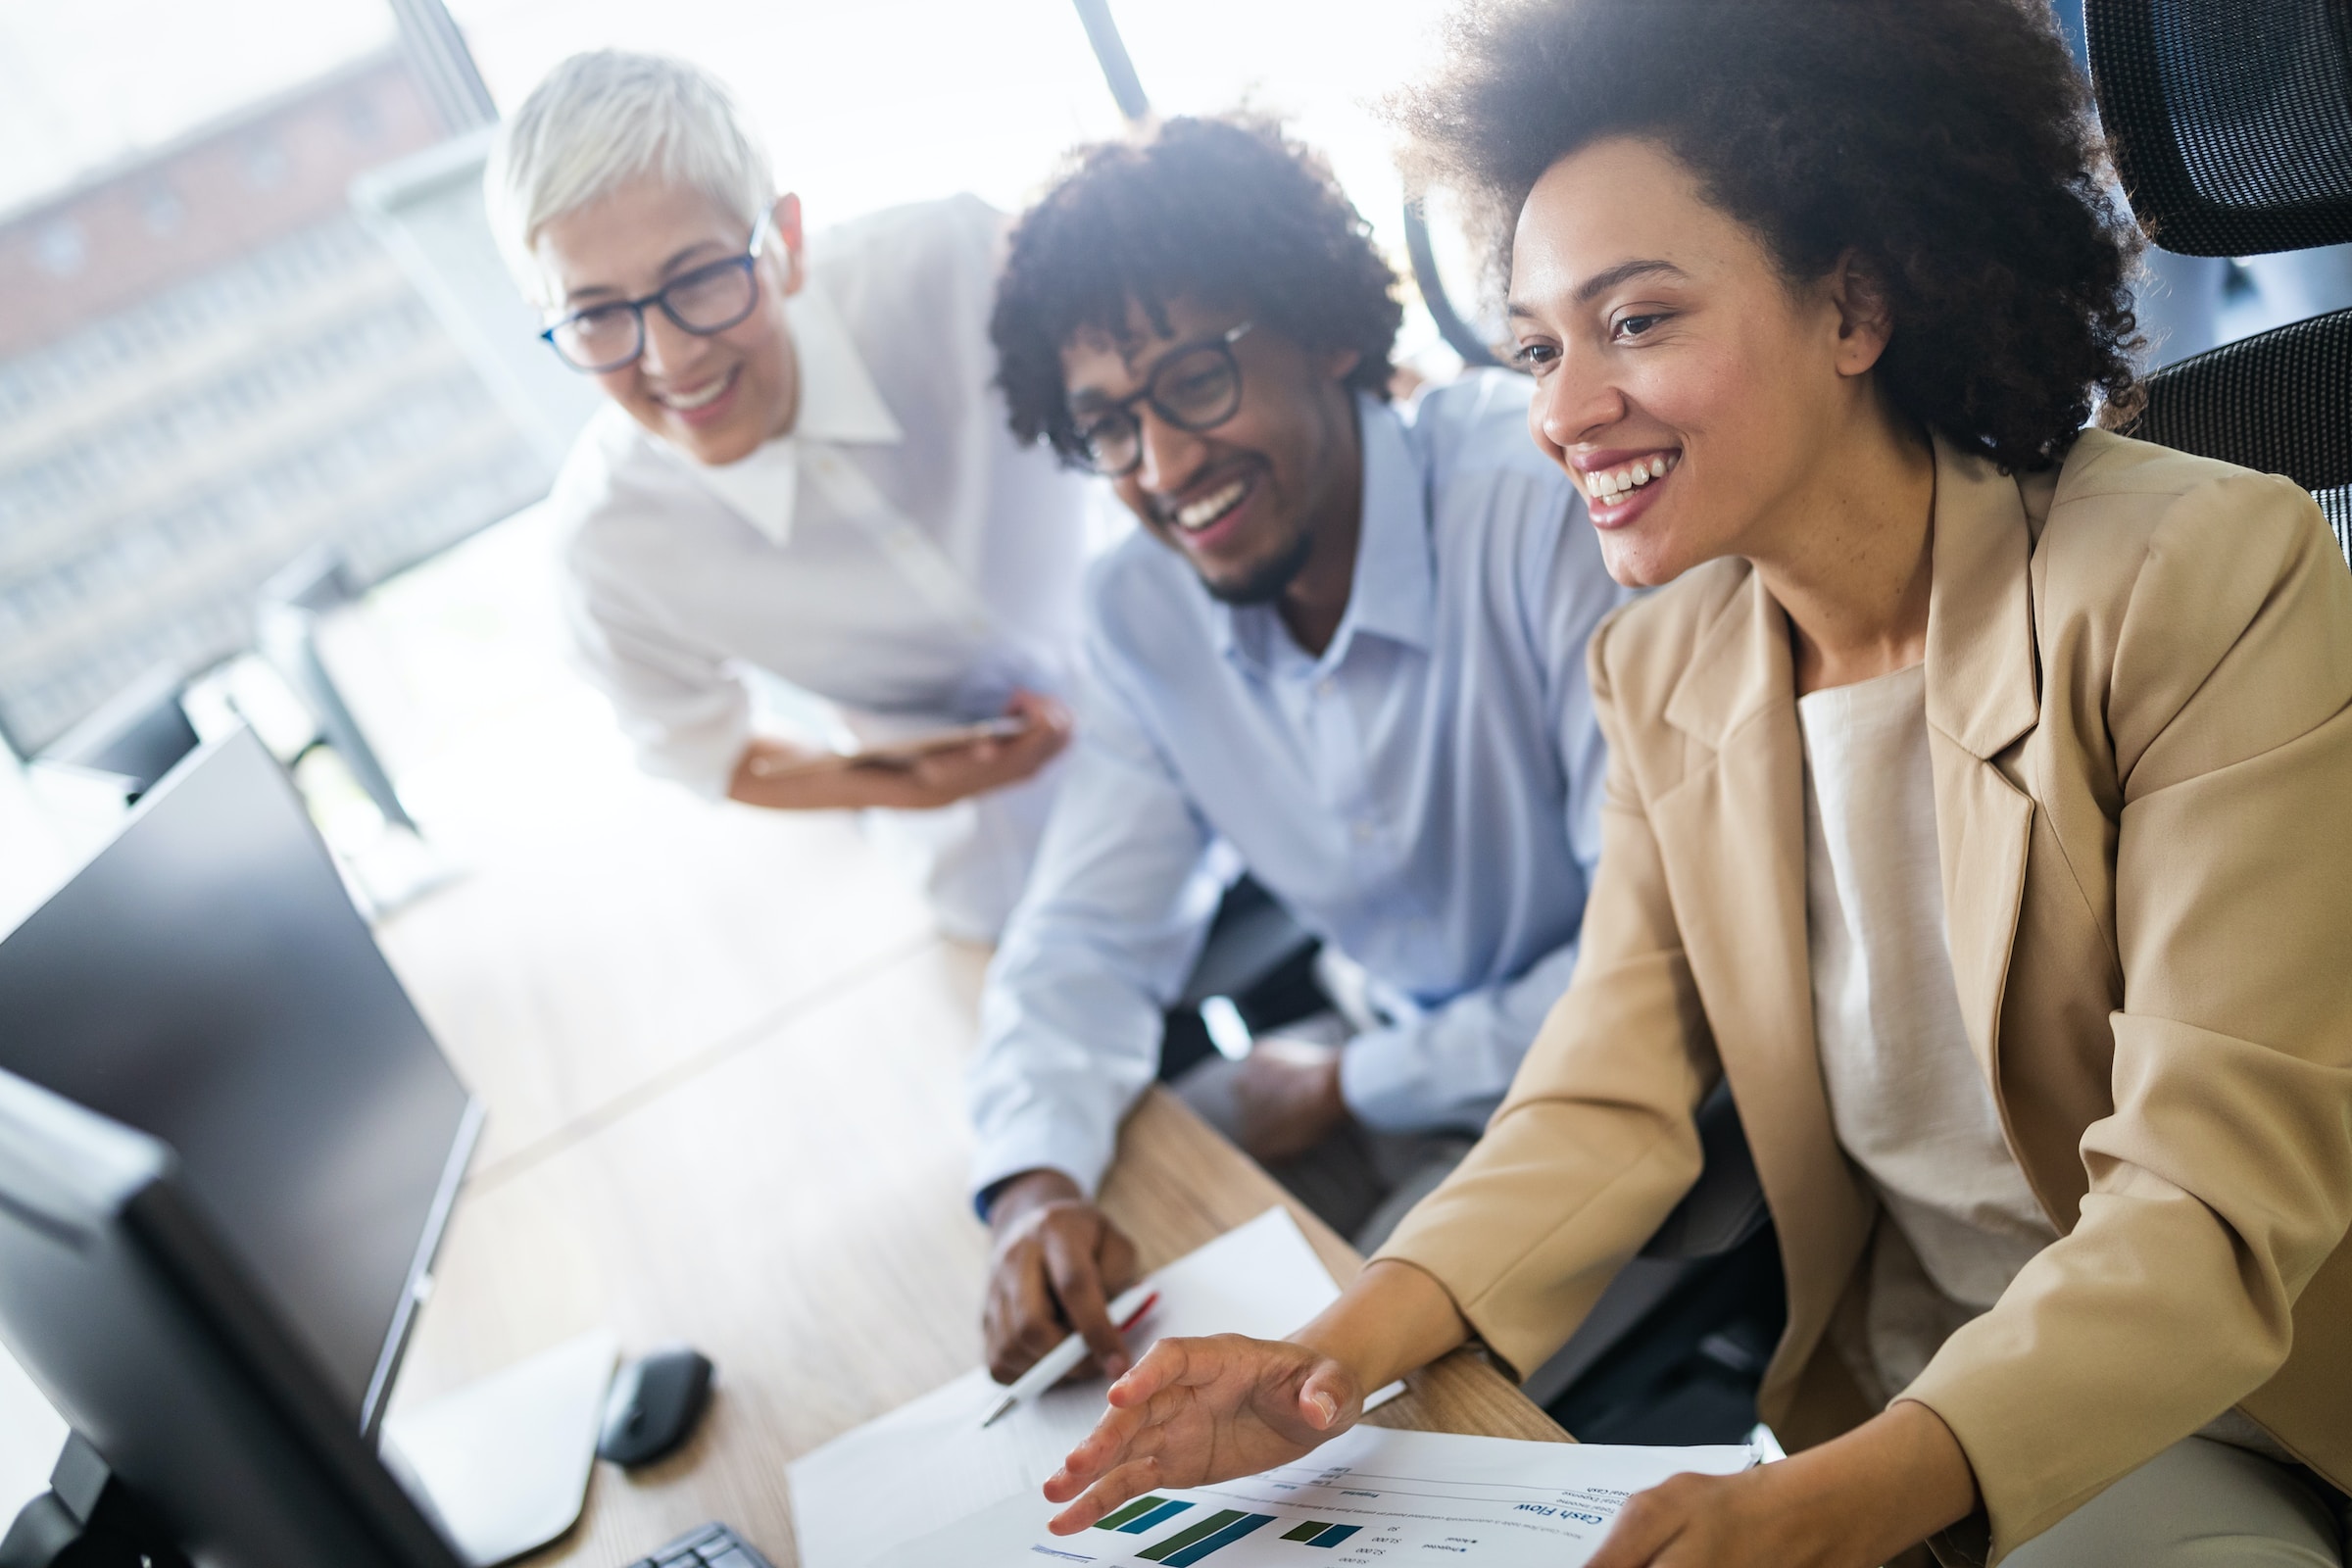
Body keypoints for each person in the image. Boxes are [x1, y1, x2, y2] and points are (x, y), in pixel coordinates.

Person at [1041, 2, 2352, 1565]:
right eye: (1539, 344)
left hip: (2220, 1394)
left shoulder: (2202, 574)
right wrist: (1330, 1358)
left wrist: (1823, 1509)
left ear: (1854, 304)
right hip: (1901, 1396)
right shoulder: (1665, 674)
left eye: (1639, 321)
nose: (1564, 408)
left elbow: (2208, 1211)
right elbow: (1600, 1095)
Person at [970, 118, 1628, 1386]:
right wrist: (1028, 1191)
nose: (1163, 468)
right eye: (1108, 425)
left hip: (1601, 1111)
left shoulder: (1540, 503)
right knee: (1089, 1293)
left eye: (1199, 382)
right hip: (1371, 1057)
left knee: (1303, 1438)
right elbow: (1084, 936)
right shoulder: (1143, 608)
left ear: (1326, 330)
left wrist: (1354, 1081)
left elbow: (1659, 974)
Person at [486, 52, 1087, 940]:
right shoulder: (609, 546)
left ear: (787, 244)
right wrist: (897, 783)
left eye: (695, 278)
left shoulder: (954, 266)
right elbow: (707, 751)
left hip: (1238, 714)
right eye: (597, 314)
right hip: (1007, 874)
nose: (669, 358)